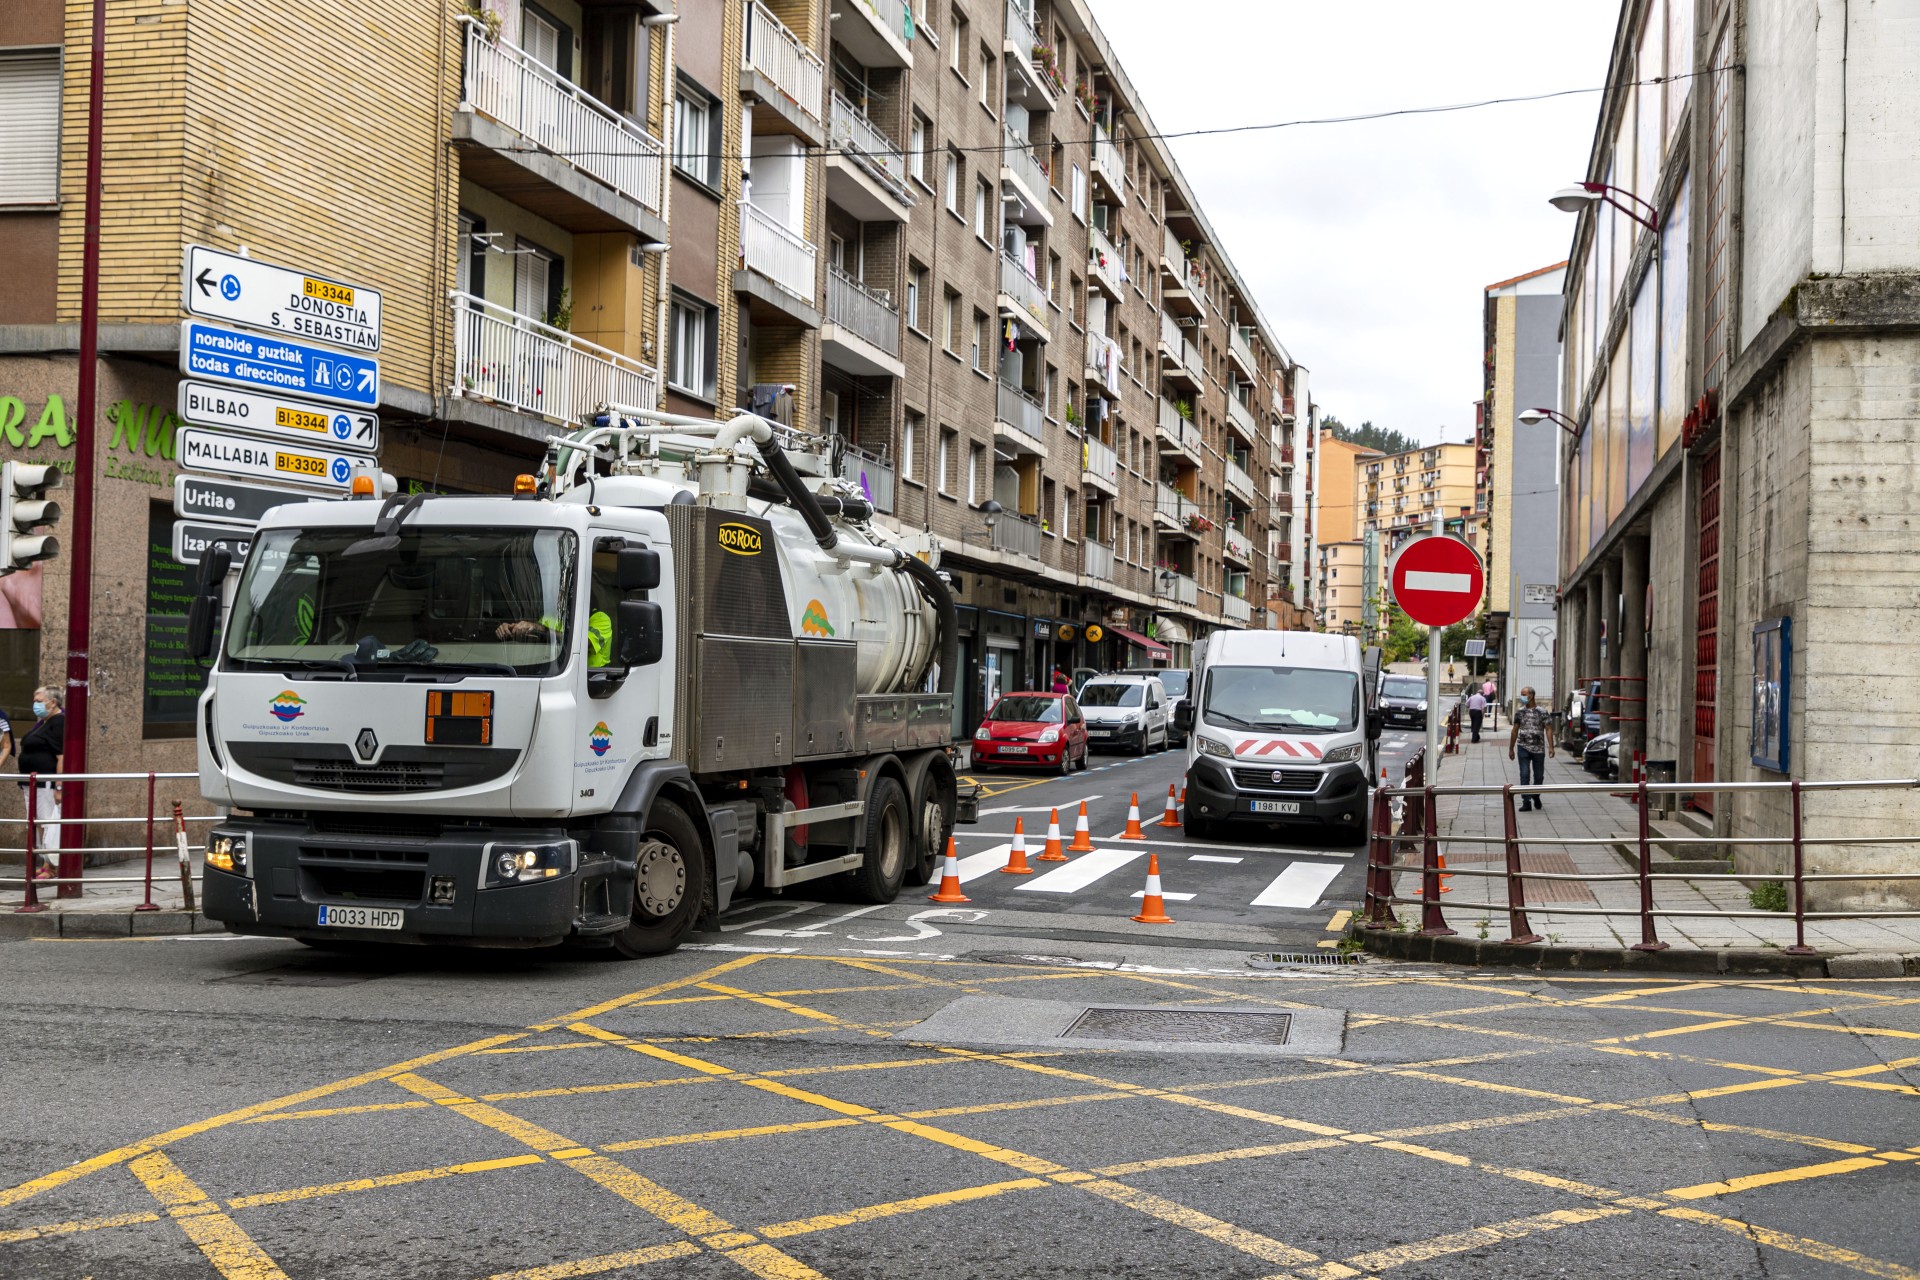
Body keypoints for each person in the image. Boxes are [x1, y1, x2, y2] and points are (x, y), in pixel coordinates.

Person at [17, 687, 63, 876]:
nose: (35, 704)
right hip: (32, 783)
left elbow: (62, 756)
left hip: (45, 783)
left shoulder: (59, 722)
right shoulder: (44, 723)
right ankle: (46, 863)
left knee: (46, 823)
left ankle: (50, 866)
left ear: (52, 702)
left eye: (39, 700)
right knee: (38, 824)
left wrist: (59, 786)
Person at [1508, 685, 1554, 811]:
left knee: (1539, 776)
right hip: (1523, 747)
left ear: (1532, 695)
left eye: (1524, 694)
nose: (1522, 697)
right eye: (1521, 694)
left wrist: (1551, 746)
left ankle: (1536, 794)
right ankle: (1526, 801)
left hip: (1538, 748)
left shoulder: (1542, 712)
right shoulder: (1520, 712)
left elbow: (1549, 729)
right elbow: (1514, 730)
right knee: (1525, 774)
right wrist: (1511, 748)